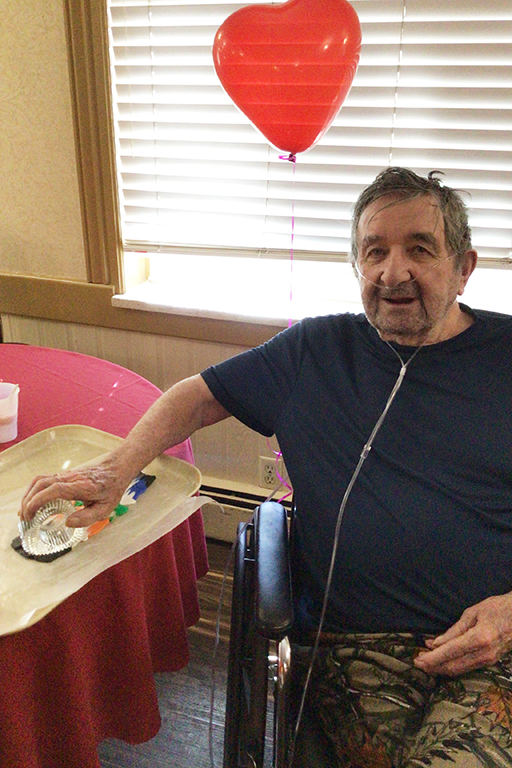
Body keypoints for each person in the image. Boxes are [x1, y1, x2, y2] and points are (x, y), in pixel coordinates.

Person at [20, 167, 512, 767]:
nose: (392, 272)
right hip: (358, 649)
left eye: (419, 249)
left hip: (496, 648)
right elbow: (196, 396)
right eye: (374, 251)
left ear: (465, 267)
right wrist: (114, 470)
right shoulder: (316, 350)